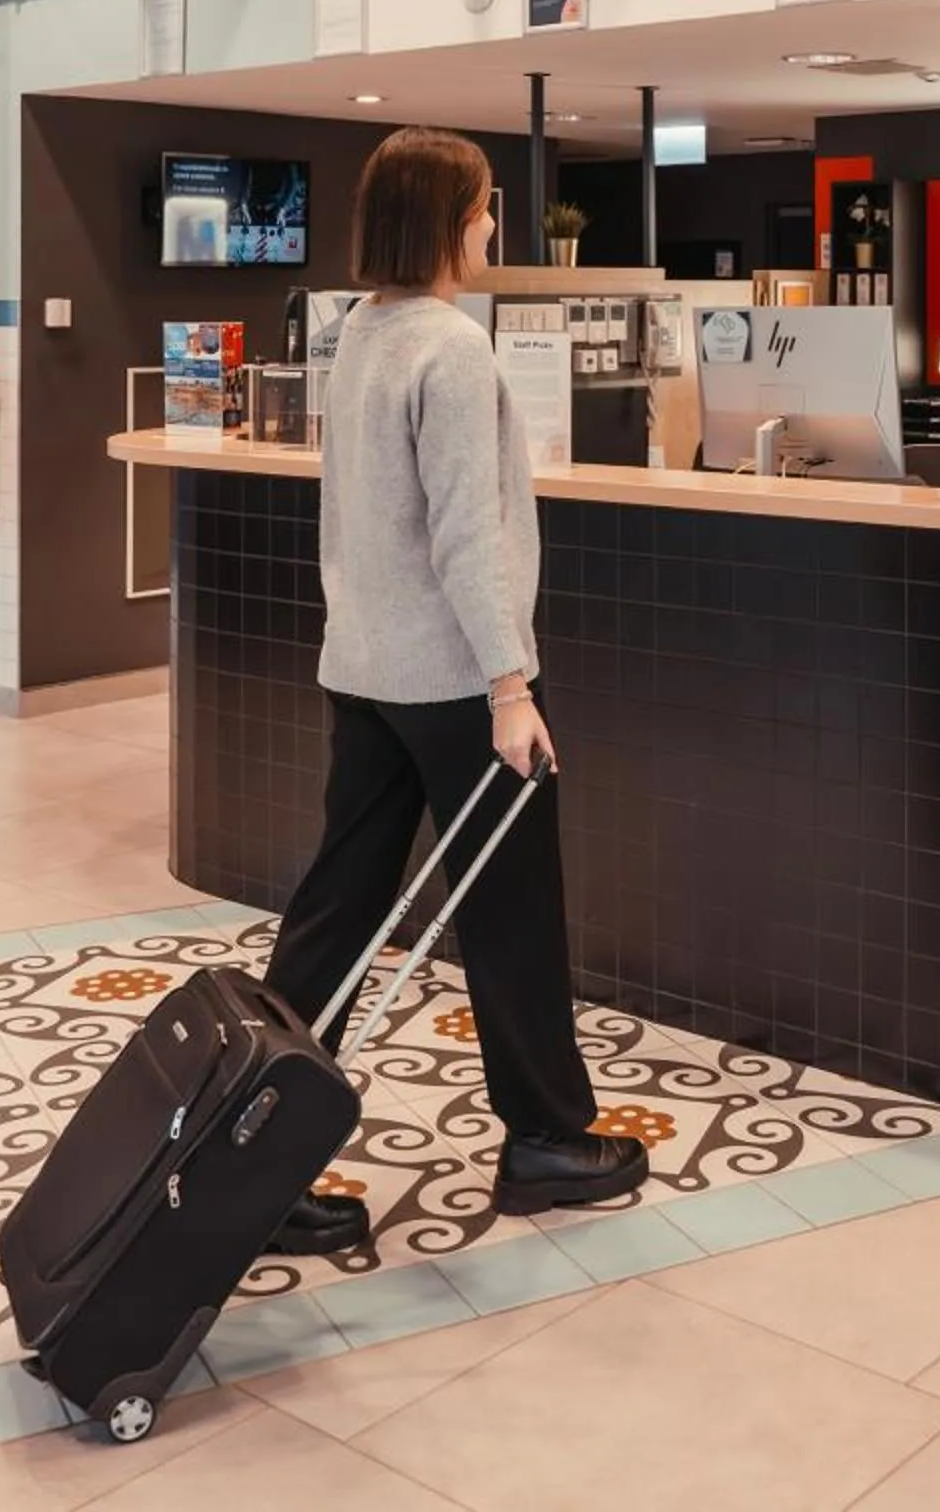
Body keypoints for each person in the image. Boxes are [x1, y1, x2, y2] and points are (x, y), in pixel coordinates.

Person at [259, 126, 646, 1255]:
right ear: (451, 217)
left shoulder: (362, 334)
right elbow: (468, 539)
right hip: (452, 682)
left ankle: (256, 1137)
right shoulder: (454, 349)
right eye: (484, 208)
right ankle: (546, 1137)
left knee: (335, 911)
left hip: (365, 670)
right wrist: (509, 685)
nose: (492, 226)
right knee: (513, 913)